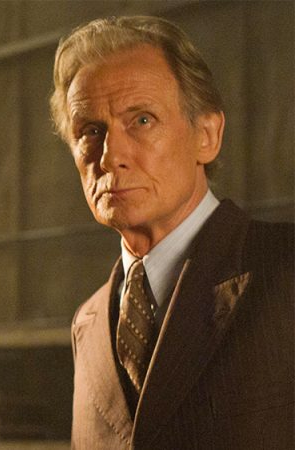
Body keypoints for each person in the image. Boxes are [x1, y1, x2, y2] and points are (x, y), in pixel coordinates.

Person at [49, 16, 294, 449]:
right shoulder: (88, 323)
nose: (110, 156)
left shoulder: (285, 268)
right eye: (90, 131)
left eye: (142, 120)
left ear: (207, 136)